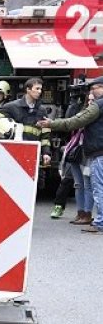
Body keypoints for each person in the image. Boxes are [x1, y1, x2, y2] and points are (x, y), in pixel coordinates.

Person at [37, 75, 103, 234]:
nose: (92, 92)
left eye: (95, 88)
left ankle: (100, 223)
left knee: (98, 188)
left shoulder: (98, 105)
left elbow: (75, 121)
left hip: (99, 152)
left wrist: (51, 123)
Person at [50, 86, 91, 222]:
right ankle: (62, 207)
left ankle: (87, 214)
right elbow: (70, 122)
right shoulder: (80, 109)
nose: (90, 101)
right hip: (75, 148)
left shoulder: (95, 112)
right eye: (88, 99)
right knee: (70, 181)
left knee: (88, 184)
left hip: (89, 151)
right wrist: (73, 104)